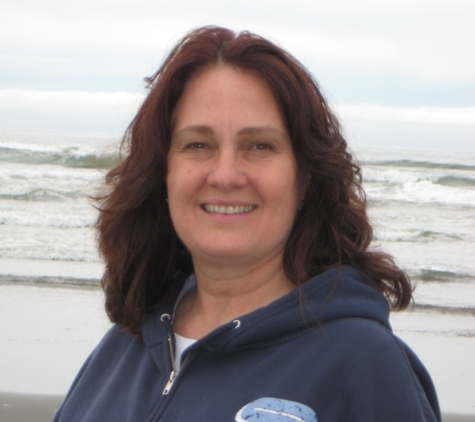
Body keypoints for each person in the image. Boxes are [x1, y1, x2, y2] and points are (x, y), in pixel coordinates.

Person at [53, 26, 441, 422]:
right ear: (162, 173)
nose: (225, 175)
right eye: (198, 145)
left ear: (305, 176)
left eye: (259, 146)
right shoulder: (122, 347)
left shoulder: (363, 362)